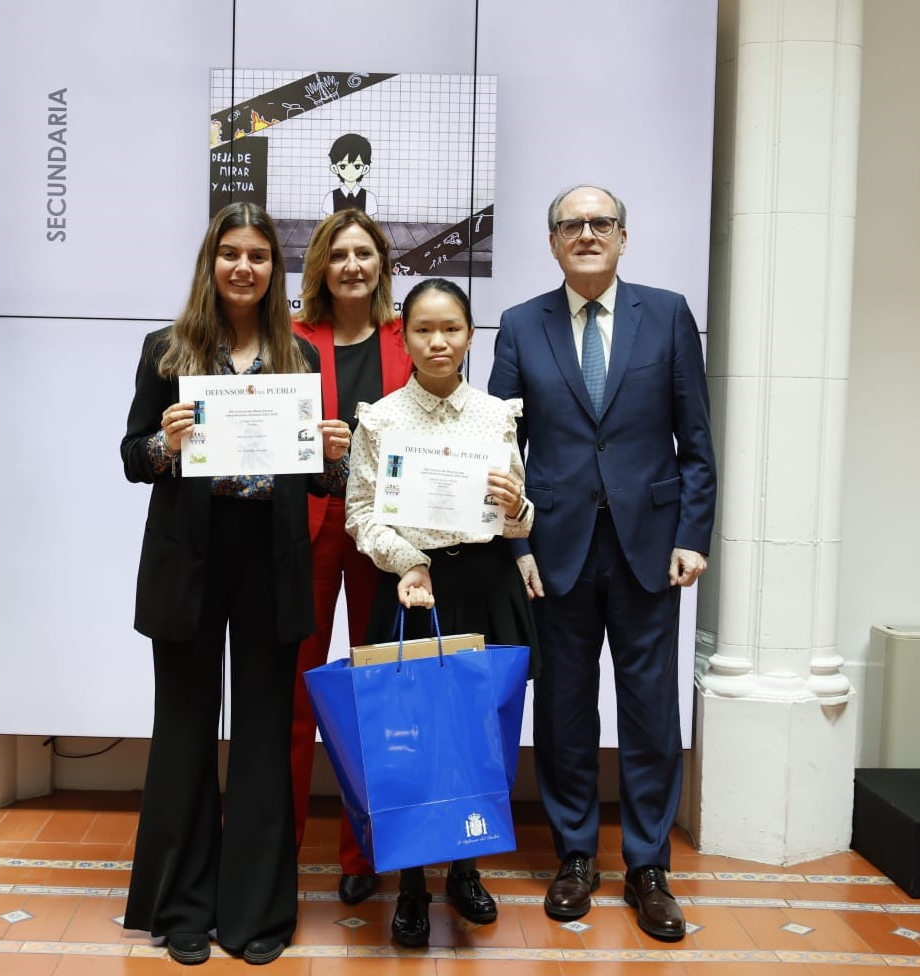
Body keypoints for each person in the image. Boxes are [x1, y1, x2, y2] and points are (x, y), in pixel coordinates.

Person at [120, 202, 351, 966]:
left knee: (259, 733)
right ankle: (182, 908)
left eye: (257, 255)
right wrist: (167, 441)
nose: (244, 267)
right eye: (230, 254)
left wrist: (333, 452)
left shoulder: (300, 361)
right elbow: (131, 455)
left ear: (272, 269)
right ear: (210, 263)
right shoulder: (167, 349)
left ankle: (253, 912)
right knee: (184, 729)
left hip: (269, 557)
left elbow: (319, 474)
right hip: (191, 555)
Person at [487, 185, 716, 941]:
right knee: (564, 710)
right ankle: (576, 857)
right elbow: (500, 451)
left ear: (623, 236)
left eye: (600, 223)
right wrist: (516, 543)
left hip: (651, 548)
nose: (587, 234)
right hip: (554, 552)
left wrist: (694, 534)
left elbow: (696, 441)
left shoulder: (669, 313)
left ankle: (648, 867)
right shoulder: (522, 325)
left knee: (651, 712)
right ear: (552, 242)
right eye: (571, 225)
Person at [345, 277, 538, 948]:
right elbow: (361, 515)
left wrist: (519, 509)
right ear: (403, 335)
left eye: (451, 328)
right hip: (410, 587)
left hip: (483, 586)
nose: (438, 341)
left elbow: (517, 522)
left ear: (470, 336)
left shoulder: (496, 415)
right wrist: (408, 564)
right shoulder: (382, 418)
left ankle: (464, 869)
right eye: (423, 329)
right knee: (410, 743)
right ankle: (410, 885)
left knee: (476, 739)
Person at [289, 210, 414, 906]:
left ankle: (361, 853)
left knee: (374, 690)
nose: (352, 265)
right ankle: (279, 842)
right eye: (339, 254)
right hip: (307, 525)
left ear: (382, 264)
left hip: (383, 533)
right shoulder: (293, 337)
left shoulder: (407, 338)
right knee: (293, 693)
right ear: (321, 266)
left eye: (365, 253)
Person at [320, 133, 378, 217]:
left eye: (357, 166)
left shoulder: (369, 198)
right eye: (343, 166)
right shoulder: (330, 198)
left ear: (365, 169)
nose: (350, 172)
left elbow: (369, 226)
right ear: (334, 168)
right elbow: (329, 225)